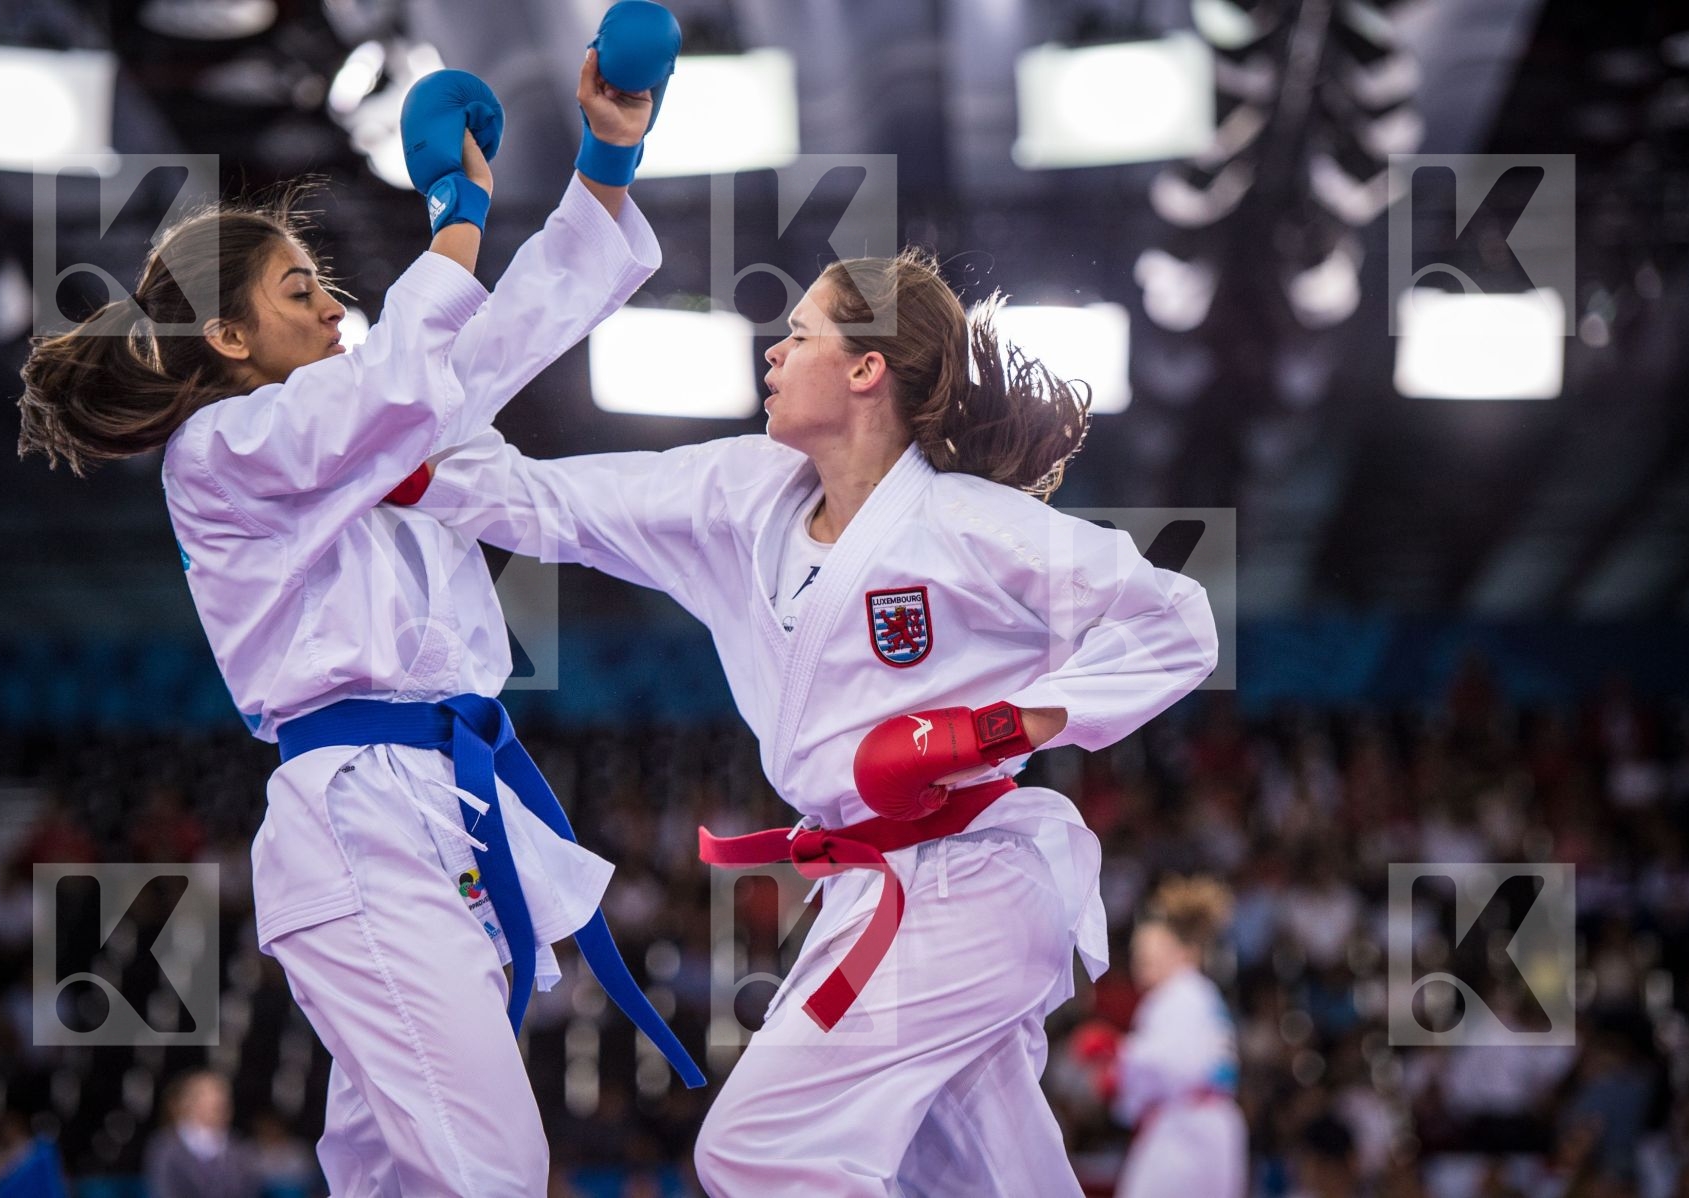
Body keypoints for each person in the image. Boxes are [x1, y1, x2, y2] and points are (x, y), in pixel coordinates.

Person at [15, 12, 698, 1192]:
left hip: (442, 816)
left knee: (398, 1175)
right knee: (491, 1164)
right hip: (361, 822)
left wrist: (606, 162)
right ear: (226, 335)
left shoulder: (369, 428)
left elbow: (483, 352)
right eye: (300, 291)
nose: (334, 304)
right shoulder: (226, 452)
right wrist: (453, 206)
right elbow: (402, 379)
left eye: (328, 284)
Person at [393, 247, 1220, 1194]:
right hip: (875, 887)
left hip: (971, 873)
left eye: (798, 334)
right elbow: (557, 504)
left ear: (866, 369)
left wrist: (1000, 729)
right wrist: (402, 471)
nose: (772, 356)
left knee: (761, 1150)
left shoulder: (968, 526)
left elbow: (1174, 620)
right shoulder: (739, 496)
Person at [1073, 876, 1247, 1198]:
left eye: (1151, 954)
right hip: (1202, 1124)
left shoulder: (1181, 992)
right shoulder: (1193, 993)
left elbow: (1171, 1063)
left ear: (1183, 953)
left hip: (1187, 1128)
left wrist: (1116, 1053)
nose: (1142, 963)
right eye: (1138, 955)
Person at [143, 1071, 261, 1198]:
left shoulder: (240, 1149)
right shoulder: (165, 1147)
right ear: (189, 1104)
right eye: (213, 1102)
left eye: (224, 1099)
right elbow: (164, 1192)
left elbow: (249, 1191)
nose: (221, 1105)